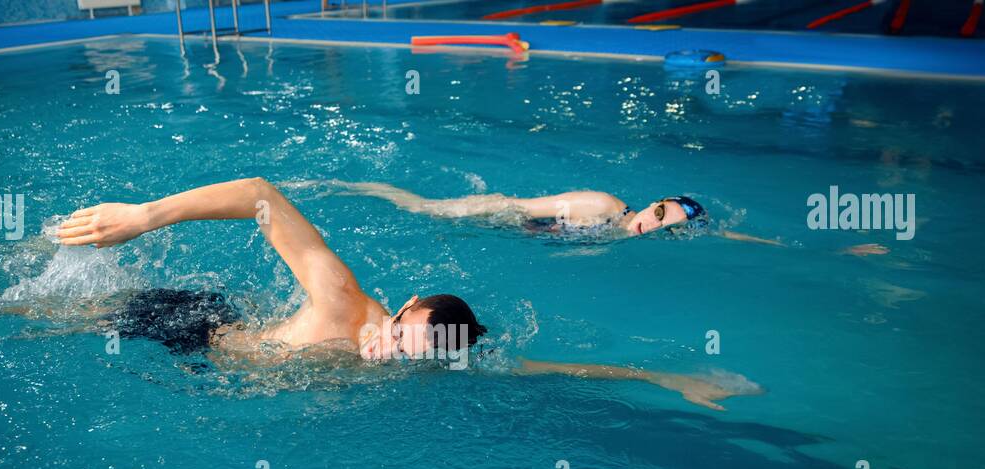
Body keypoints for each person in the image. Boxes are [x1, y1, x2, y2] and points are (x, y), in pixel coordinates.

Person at [47, 177, 759, 410]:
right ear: (407, 302)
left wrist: (665, 376)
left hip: (208, 373)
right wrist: (142, 218)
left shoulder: (425, 355)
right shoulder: (340, 302)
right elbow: (261, 196)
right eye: (397, 332)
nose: (382, 350)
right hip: (188, 328)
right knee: (34, 315)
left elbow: (546, 368)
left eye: (404, 355)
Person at [314, 180, 888, 255]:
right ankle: (356, 187)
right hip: (495, 216)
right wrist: (470, 216)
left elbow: (733, 234)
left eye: (664, 227)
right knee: (414, 208)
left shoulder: (622, 236)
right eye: (657, 213)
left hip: (523, 237)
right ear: (651, 202)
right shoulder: (600, 208)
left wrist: (833, 252)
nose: (650, 224)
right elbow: (519, 211)